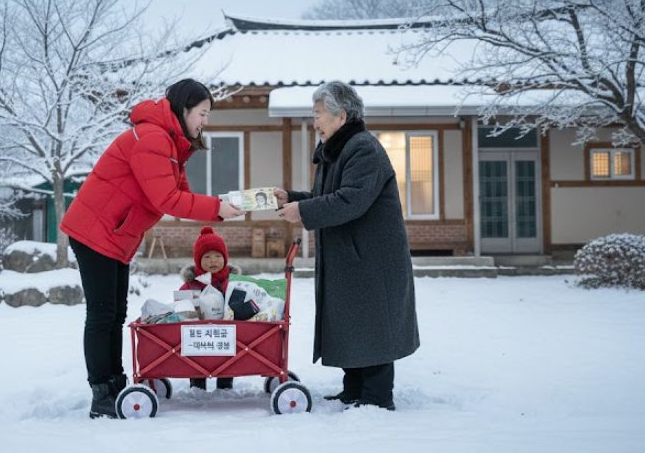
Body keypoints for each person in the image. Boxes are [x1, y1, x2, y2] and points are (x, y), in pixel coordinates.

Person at [60, 79, 244, 419]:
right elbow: (167, 199)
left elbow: (181, 195)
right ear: (184, 109)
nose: (205, 121)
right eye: (202, 113)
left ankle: (116, 383)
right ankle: (102, 393)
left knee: (115, 313)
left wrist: (219, 206)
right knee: (102, 314)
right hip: (96, 230)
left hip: (116, 233)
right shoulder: (153, 138)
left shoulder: (172, 143)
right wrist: (216, 209)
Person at [275, 81, 419, 411]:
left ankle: (377, 397)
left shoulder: (364, 149)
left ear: (341, 116)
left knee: (372, 326)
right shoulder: (338, 150)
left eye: (318, 115)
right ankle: (353, 389)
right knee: (351, 324)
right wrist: (293, 198)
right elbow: (327, 197)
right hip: (350, 257)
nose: (315, 122)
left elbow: (350, 200)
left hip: (371, 259)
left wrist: (303, 211)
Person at [178, 226, 239, 390]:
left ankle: (225, 383)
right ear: (198, 260)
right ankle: (197, 383)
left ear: (225, 258)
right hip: (198, 336)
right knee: (196, 356)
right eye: (207, 257)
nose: (213, 261)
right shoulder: (192, 284)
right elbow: (181, 305)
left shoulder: (232, 282)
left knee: (227, 357)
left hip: (226, 335)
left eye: (218, 256)